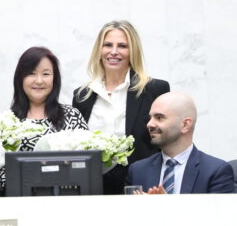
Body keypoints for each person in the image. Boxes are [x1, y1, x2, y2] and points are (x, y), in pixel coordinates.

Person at [73, 20, 170, 194]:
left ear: (133, 51)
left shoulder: (154, 89)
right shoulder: (82, 96)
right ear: (99, 50)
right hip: (94, 188)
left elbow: (166, 143)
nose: (114, 52)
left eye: (122, 46)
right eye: (108, 45)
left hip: (141, 187)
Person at [0, 46, 88, 194]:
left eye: (46, 74)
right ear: (20, 78)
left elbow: (87, 163)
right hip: (21, 203)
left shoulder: (72, 115)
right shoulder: (6, 122)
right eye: (31, 74)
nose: (39, 81)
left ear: (54, 78)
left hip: (67, 202)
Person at [126, 92, 234, 194]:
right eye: (150, 118)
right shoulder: (137, 171)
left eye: (159, 118)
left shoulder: (216, 171)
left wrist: (166, 206)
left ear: (185, 125)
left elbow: (218, 214)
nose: (150, 124)